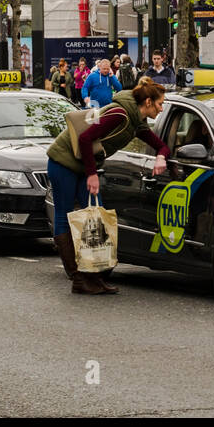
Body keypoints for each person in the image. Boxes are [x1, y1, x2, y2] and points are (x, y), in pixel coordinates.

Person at [46, 77, 172, 295]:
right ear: (149, 102)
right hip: (63, 162)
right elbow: (85, 139)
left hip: (83, 166)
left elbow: (160, 145)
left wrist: (161, 157)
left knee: (95, 218)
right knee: (64, 214)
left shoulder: (136, 121)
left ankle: (93, 275)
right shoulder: (119, 115)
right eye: (160, 104)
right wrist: (92, 174)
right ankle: (78, 278)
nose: (162, 109)